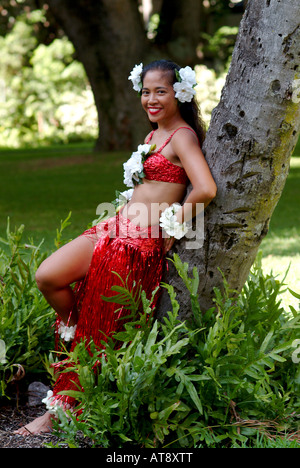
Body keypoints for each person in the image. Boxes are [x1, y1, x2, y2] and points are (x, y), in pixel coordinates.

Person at [14, 59, 217, 436]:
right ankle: (74, 327)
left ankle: (57, 411)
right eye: (146, 91)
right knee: (48, 276)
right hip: (111, 231)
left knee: (101, 327)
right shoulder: (153, 135)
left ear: (180, 93)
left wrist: (175, 222)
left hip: (136, 247)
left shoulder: (182, 136)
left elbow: (205, 188)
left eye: (161, 91)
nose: (151, 99)